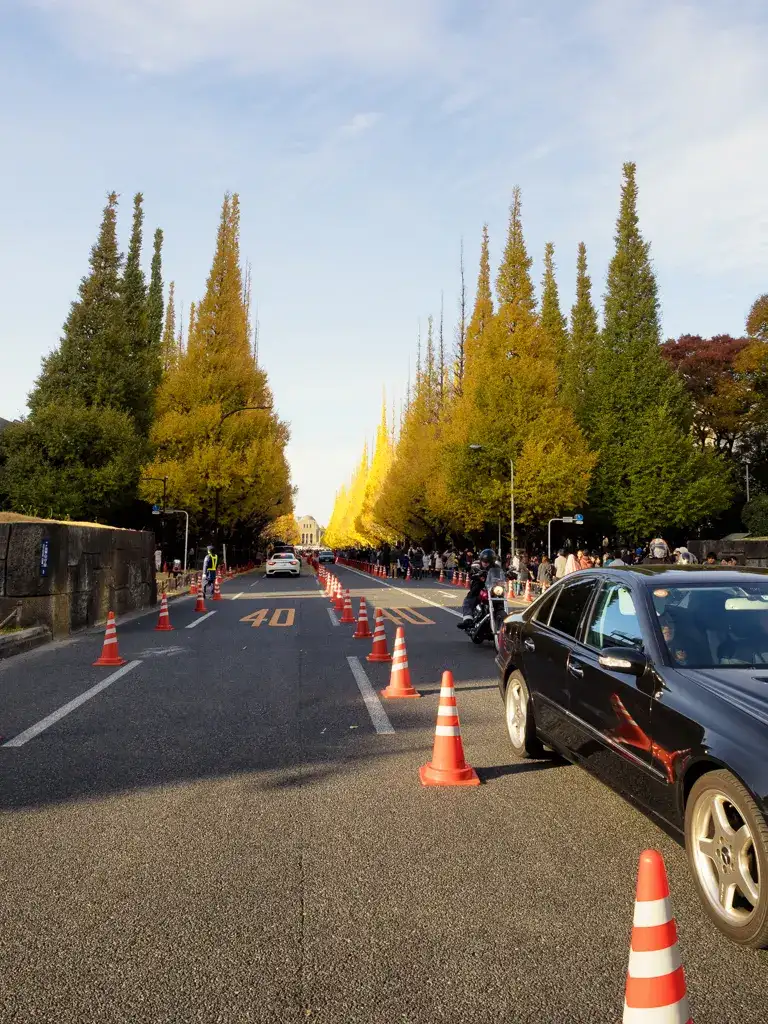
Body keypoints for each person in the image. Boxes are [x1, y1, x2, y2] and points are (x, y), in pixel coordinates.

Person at [457, 548, 498, 630]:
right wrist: (476, 573)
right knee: (469, 599)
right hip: (479, 585)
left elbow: (502, 573)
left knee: (500, 595)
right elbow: (471, 571)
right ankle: (468, 620)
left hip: (493, 587)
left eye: (488, 561)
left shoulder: (496, 567)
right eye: (484, 561)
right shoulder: (476, 564)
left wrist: (509, 573)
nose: (486, 563)